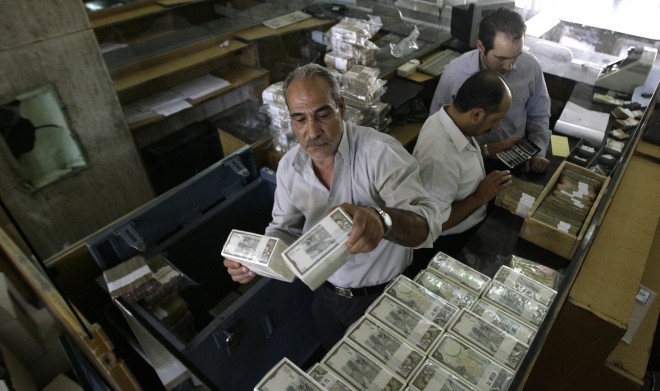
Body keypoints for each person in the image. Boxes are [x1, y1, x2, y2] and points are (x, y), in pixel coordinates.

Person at [223, 63, 442, 350]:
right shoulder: (290, 166)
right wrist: (254, 259)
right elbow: (284, 229)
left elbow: (427, 225)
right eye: (300, 119)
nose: (312, 131)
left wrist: (382, 220)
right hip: (326, 296)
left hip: (382, 295)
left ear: (341, 107)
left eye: (322, 114)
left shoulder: (380, 154)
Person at [429, 7, 551, 174]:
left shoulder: (530, 66)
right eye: (501, 58)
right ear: (481, 46)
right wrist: (486, 150)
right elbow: (437, 129)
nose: (509, 66)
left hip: (517, 160)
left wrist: (538, 151)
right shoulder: (455, 74)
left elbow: (539, 116)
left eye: (516, 56)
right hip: (464, 163)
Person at [411, 70, 513, 268]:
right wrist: (480, 197)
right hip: (450, 245)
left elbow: (459, 161)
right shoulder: (438, 156)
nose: (498, 126)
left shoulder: (448, 118)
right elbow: (436, 222)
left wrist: (487, 150)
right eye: (496, 119)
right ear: (476, 114)